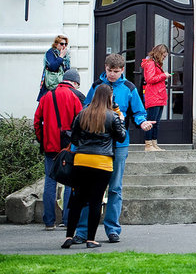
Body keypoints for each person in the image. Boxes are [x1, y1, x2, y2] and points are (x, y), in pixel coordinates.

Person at [71, 53, 153, 245]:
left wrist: (142, 122)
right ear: (105, 68)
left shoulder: (129, 88)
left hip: (119, 144)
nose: (113, 74)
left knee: (115, 188)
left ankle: (113, 230)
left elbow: (138, 111)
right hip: (95, 145)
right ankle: (82, 232)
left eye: (116, 71)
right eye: (110, 71)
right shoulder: (96, 86)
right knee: (89, 188)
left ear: (122, 70)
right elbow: (85, 109)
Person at [62, 84, 126, 249]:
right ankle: (91, 239)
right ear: (109, 98)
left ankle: (69, 236)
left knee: (77, 200)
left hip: (81, 160)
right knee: (96, 201)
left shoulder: (82, 114)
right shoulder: (112, 116)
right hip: (102, 162)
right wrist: (120, 117)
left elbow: (74, 138)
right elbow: (121, 137)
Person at [34, 69, 83, 230]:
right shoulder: (74, 96)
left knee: (50, 181)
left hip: (50, 145)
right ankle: (68, 219)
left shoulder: (47, 96)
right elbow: (80, 121)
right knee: (70, 182)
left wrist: (42, 139)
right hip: (68, 146)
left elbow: (37, 121)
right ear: (75, 83)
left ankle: (49, 221)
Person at [141, 44, 172, 152]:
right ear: (159, 53)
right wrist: (164, 75)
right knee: (151, 122)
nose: (164, 58)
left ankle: (154, 144)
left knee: (156, 122)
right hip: (154, 96)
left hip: (158, 96)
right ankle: (148, 145)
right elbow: (149, 79)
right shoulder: (150, 63)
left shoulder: (154, 63)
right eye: (163, 56)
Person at [38, 35, 71, 101]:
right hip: (50, 85)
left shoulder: (66, 56)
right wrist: (61, 57)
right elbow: (53, 67)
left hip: (61, 85)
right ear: (56, 44)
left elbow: (67, 70)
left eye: (66, 44)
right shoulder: (50, 53)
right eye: (62, 44)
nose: (64, 46)